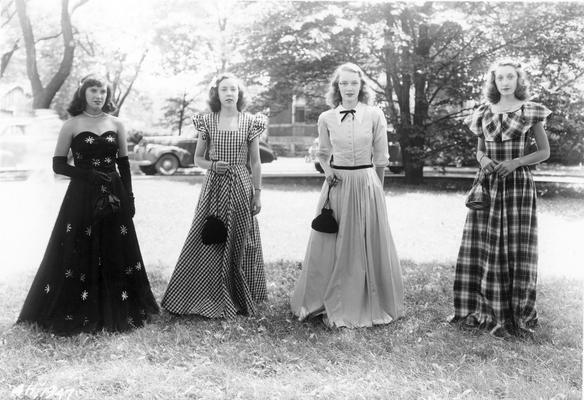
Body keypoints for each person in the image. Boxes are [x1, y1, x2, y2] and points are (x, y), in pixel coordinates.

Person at [17, 75, 159, 335]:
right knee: (78, 248)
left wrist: (129, 197)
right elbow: (58, 165)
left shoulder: (116, 123)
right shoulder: (71, 124)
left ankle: (120, 305)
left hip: (113, 193)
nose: (98, 96)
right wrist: (87, 174)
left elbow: (124, 164)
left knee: (116, 247)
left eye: (102, 91)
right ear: (83, 94)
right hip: (82, 195)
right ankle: (78, 306)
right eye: (93, 91)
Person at [290, 62, 404, 328]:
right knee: (333, 241)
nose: (349, 88)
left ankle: (366, 299)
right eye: (344, 83)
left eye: (354, 83)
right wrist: (327, 170)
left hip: (366, 184)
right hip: (338, 185)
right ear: (337, 87)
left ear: (361, 86)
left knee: (364, 240)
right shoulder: (326, 118)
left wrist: (378, 191)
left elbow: (381, 158)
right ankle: (325, 297)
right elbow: (322, 154)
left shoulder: (375, 115)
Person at [451, 59, 551, 338]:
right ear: (493, 82)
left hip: (517, 185)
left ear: (519, 80)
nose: (505, 82)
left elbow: (544, 152)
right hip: (487, 184)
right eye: (499, 78)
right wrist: (484, 160)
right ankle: (478, 306)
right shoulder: (484, 112)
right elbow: (479, 150)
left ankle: (515, 311)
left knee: (515, 246)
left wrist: (517, 162)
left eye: (510, 77)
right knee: (481, 244)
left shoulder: (531, 111)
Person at [161, 73, 267, 319]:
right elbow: (198, 158)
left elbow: (256, 162)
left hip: (241, 183)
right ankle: (205, 292)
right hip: (214, 186)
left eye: (233, 89)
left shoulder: (251, 122)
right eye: (224, 90)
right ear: (216, 94)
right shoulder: (207, 121)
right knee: (210, 235)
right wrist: (212, 165)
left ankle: (238, 292)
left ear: (239, 93)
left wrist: (258, 193)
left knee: (240, 236)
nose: (229, 93)